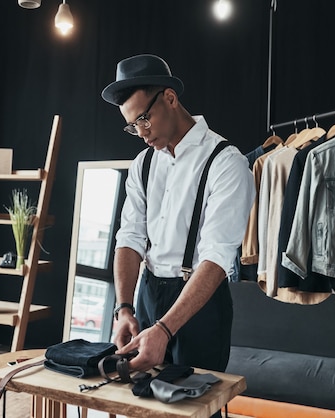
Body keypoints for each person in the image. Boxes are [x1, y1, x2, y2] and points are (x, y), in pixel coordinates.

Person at [101, 54, 255, 378]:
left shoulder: (226, 163)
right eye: (132, 126)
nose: (141, 133)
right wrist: (124, 308)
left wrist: (165, 329)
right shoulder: (142, 164)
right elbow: (129, 239)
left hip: (201, 306)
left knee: (195, 407)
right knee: (139, 405)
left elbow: (216, 258)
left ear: (170, 98)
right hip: (148, 295)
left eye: (144, 119)